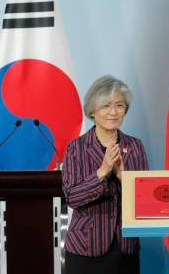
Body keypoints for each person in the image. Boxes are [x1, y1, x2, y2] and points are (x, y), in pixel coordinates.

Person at [62, 75, 148, 274]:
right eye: (106, 106)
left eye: (119, 105)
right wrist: (102, 172)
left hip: (125, 248)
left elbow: (145, 199)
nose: (113, 112)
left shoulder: (135, 146)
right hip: (85, 248)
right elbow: (72, 197)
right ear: (93, 110)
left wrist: (123, 176)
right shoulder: (77, 148)